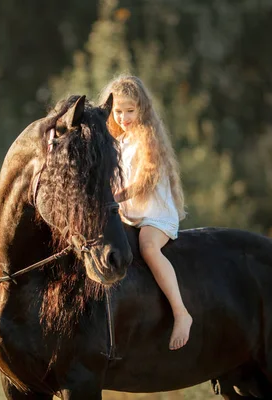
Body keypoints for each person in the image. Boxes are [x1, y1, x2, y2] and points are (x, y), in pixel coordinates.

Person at [98, 75, 192, 350]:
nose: (124, 117)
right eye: (118, 111)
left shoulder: (147, 138)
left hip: (154, 215)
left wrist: (117, 196)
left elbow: (145, 181)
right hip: (129, 215)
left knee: (148, 248)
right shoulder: (119, 141)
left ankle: (180, 312)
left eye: (130, 111)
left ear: (142, 109)